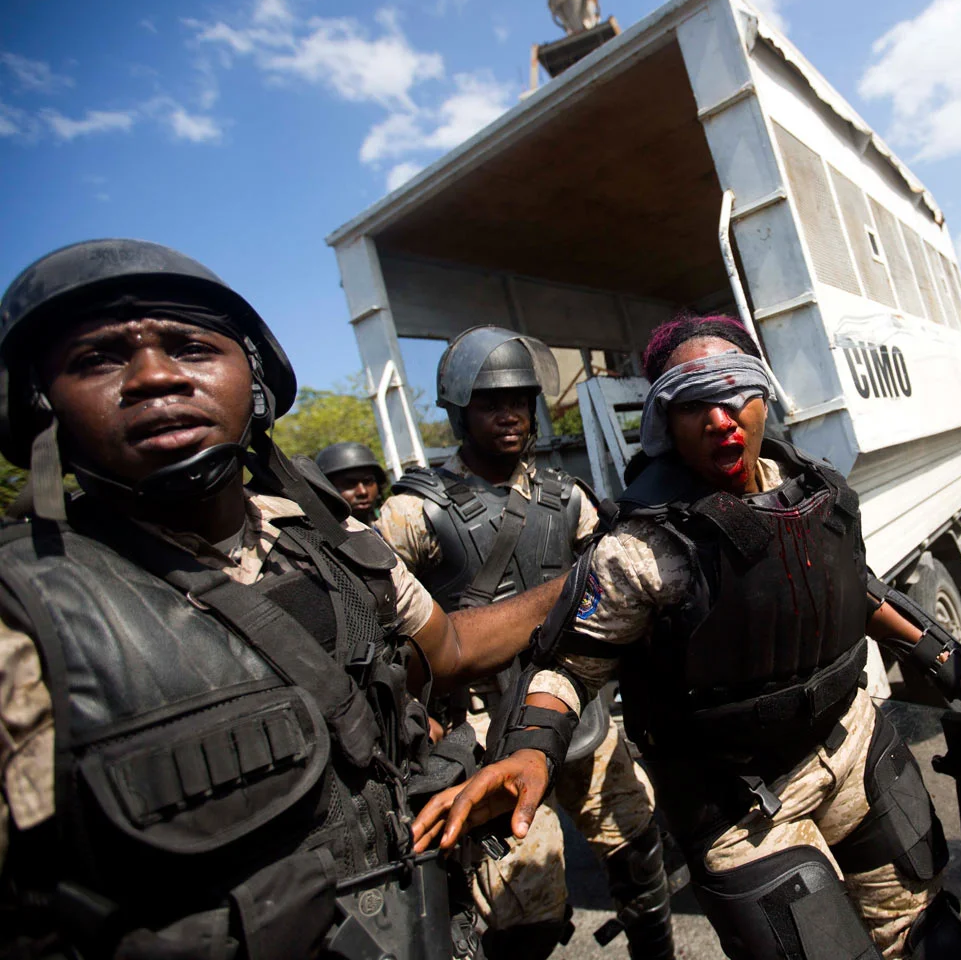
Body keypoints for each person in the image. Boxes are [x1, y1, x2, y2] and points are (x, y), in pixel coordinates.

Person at [0, 240, 563, 959]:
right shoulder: (24, 614)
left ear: (256, 382)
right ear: (39, 405)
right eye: (99, 360)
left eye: (191, 347)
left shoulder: (332, 544)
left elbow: (446, 648)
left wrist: (585, 582)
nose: (155, 377)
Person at [411, 314, 961, 959]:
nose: (721, 419)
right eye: (693, 402)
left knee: (928, 936)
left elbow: (859, 591)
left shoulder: (813, 493)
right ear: (665, 424)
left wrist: (957, 667)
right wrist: (531, 750)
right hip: (742, 806)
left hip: (855, 749)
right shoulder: (643, 547)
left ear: (765, 397)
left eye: (736, 392)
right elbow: (569, 665)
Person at [377, 326, 672, 960]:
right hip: (484, 735)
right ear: (459, 411)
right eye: (490, 403)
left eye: (519, 400)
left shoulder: (568, 500)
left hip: (577, 712)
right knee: (524, 913)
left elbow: (613, 588)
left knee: (639, 850)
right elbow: (375, 630)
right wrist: (419, 725)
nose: (509, 415)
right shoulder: (414, 511)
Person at [315, 440, 386, 526]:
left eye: (368, 482)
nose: (363, 492)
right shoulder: (315, 536)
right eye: (349, 484)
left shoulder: (387, 529)